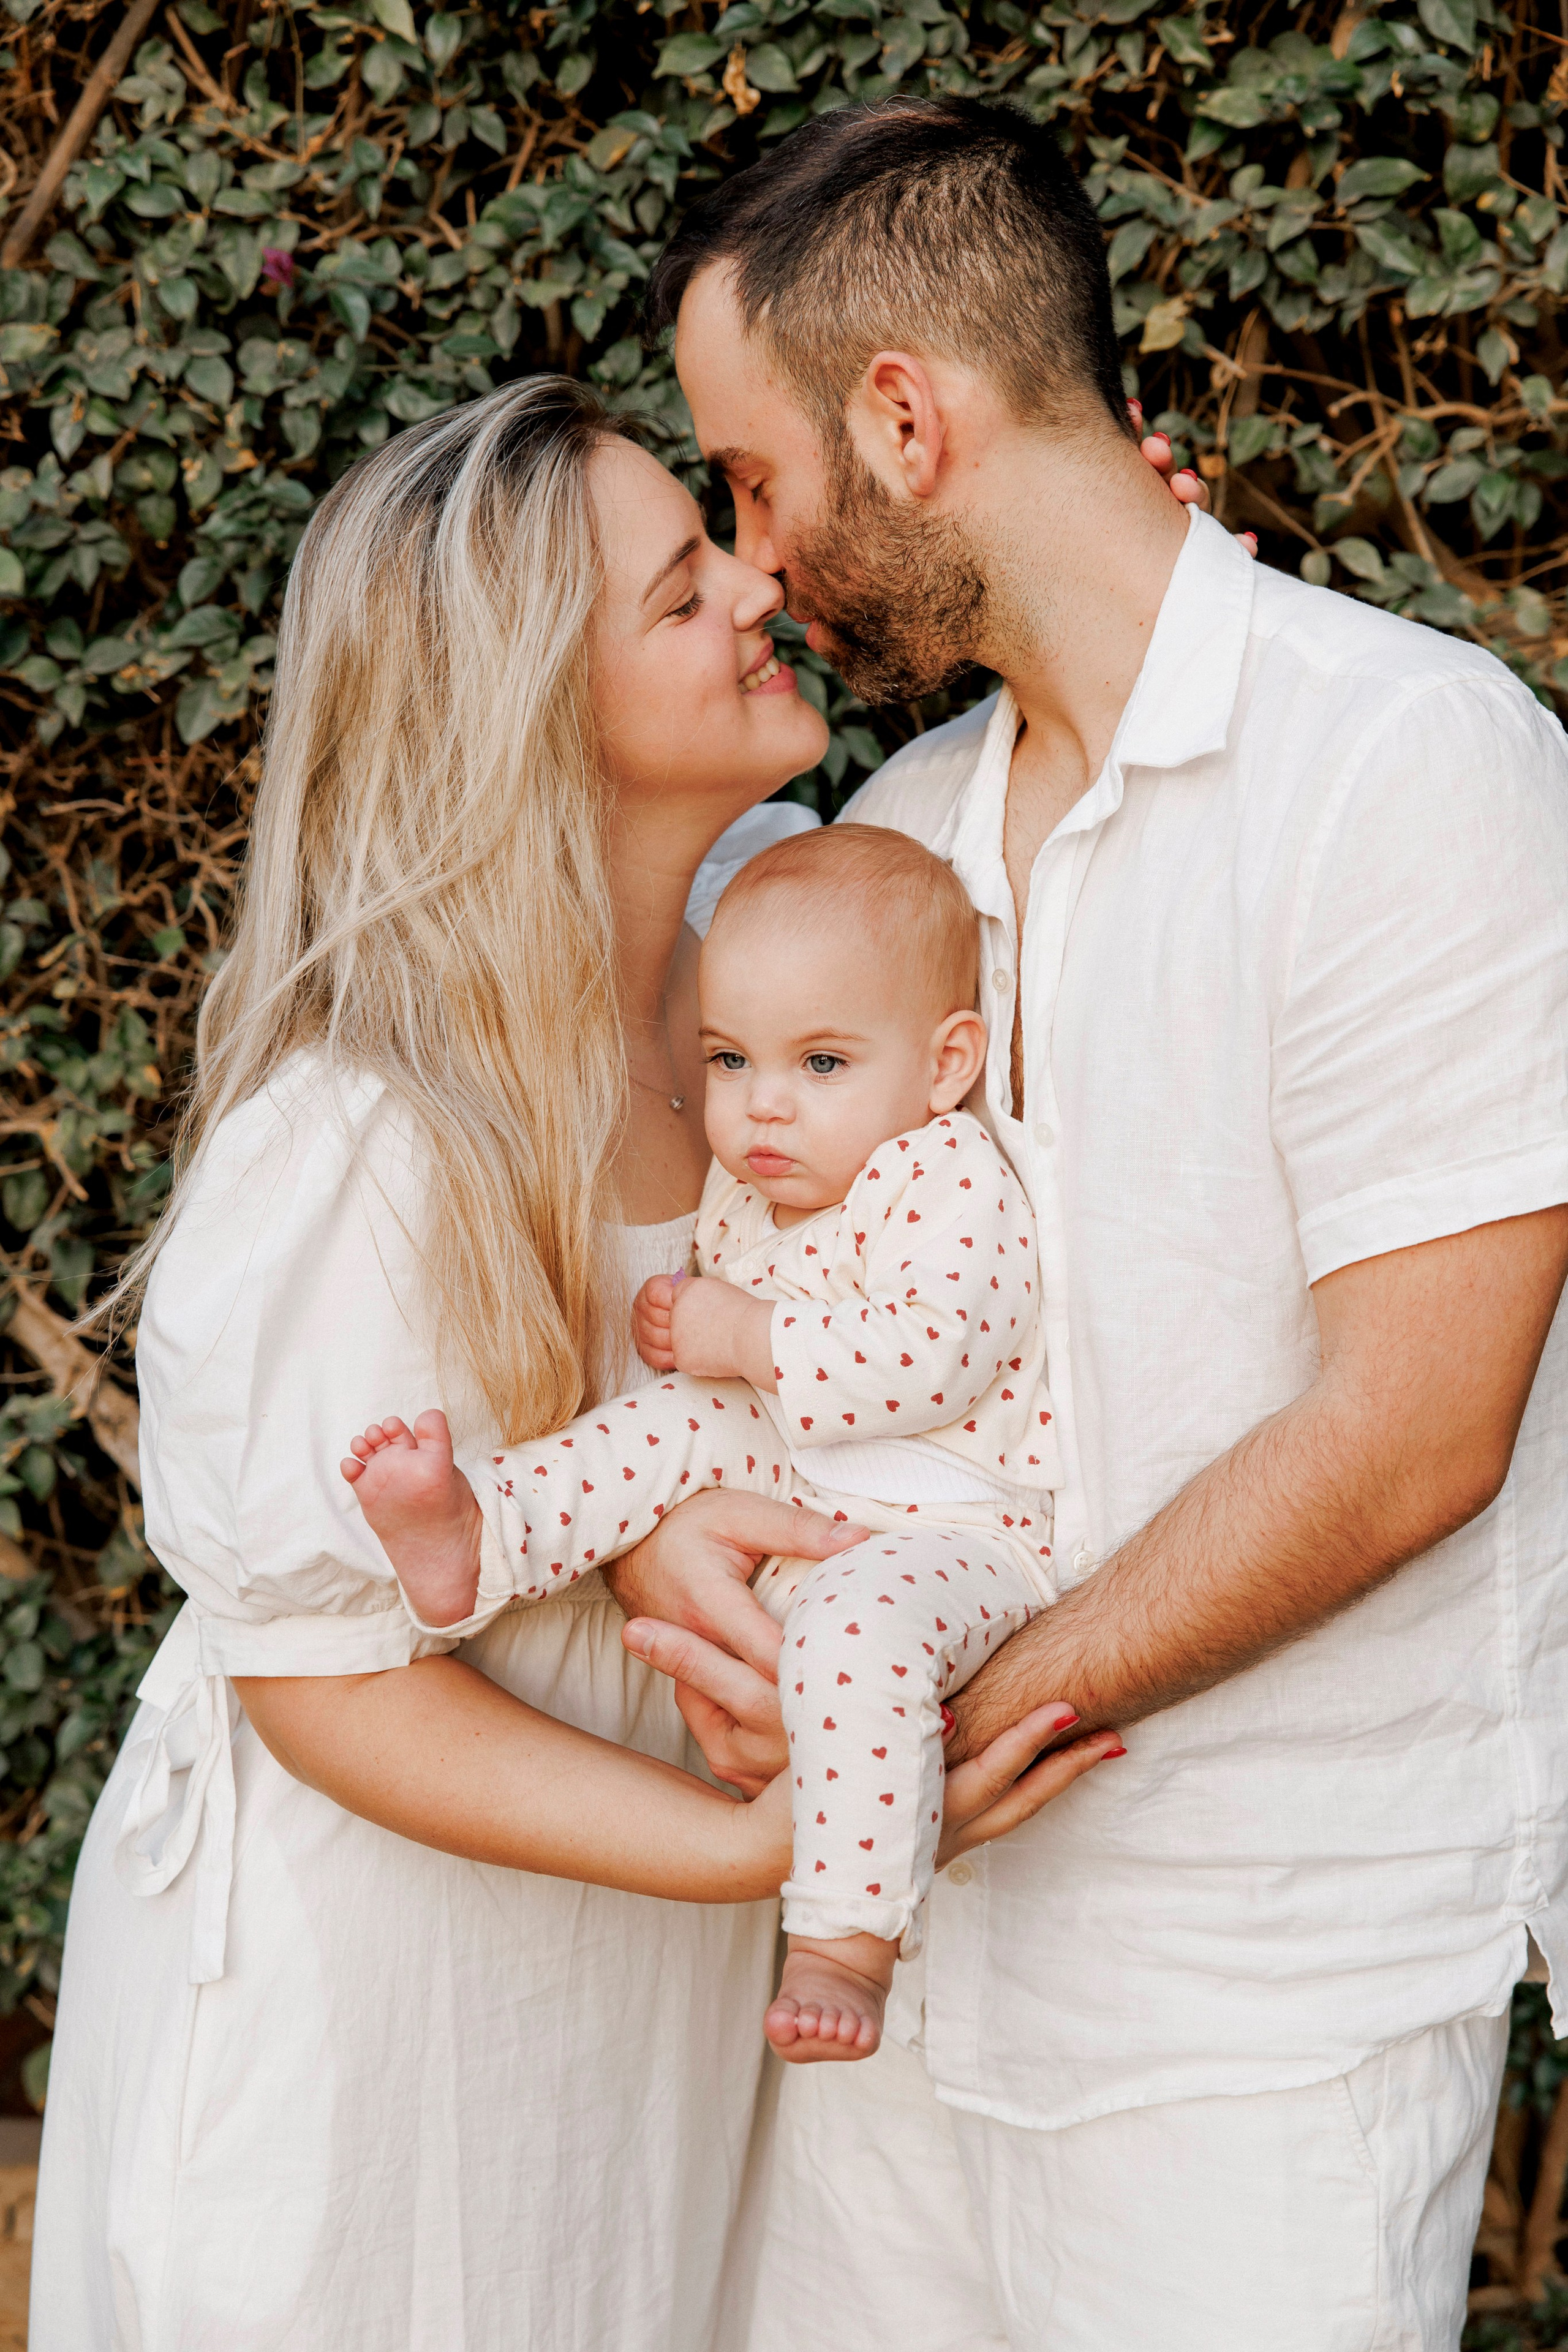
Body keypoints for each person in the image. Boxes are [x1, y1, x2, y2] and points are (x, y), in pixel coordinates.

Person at [622, 93, 1568, 2349]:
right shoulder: (905, 837)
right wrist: (702, 1557)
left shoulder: (1408, 762)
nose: (751, 564)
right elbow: (774, 1301)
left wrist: (944, 1732)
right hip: (904, 1986)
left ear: (906, 417)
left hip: (1259, 1991)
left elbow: (1422, 1424)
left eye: (752, 479)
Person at [29, 377, 1104, 2351]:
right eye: (682, 592)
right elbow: (322, 1681)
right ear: (534, 710)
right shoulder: (370, 1145)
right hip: (389, 1992)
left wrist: (1097, 594)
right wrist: (764, 1849)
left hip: (637, 1996)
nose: (761, 583)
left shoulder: (783, 976)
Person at [340, 824, 1110, 2065]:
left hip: (958, 1519)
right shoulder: (764, 1178)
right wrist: (710, 1338)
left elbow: (939, 1353)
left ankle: (844, 1940)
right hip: (809, 1470)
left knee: (855, 1638)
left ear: (942, 1063)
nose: (761, 1104)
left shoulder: (940, 1175)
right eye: (728, 1057)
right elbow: (717, 1361)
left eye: (817, 1061)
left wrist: (740, 1332)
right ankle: (478, 1537)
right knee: (654, 1430)